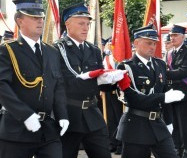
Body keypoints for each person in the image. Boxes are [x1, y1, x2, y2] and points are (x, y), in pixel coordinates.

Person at [0, 0, 69, 157]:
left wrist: (62, 115)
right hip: (16, 130)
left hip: (47, 130)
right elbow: (2, 86)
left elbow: (58, 85)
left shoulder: (51, 51)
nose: (40, 20)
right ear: (19, 21)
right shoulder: (8, 50)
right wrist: (25, 114)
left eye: (41, 17)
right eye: (33, 17)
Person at [116, 24, 184, 158]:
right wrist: (163, 97)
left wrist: (169, 122)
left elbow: (166, 94)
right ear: (136, 43)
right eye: (148, 43)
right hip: (136, 125)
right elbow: (133, 99)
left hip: (158, 124)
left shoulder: (160, 64)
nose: (152, 47)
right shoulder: (126, 67)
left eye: (154, 43)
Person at [53, 3, 112, 158]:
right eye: (81, 23)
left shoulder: (93, 50)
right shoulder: (57, 49)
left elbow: (101, 86)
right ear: (67, 24)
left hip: (93, 114)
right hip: (69, 114)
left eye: (87, 23)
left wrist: (111, 81)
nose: (85, 28)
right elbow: (68, 82)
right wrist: (97, 79)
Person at [166, 24, 187, 158]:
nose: (172, 38)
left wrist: (166, 73)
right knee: (175, 123)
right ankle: (177, 147)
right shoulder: (169, 53)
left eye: (175, 35)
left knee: (186, 123)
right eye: (171, 35)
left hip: (185, 92)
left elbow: (185, 71)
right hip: (172, 92)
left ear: (183, 37)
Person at [101, 37, 123, 155]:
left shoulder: (122, 58)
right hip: (109, 91)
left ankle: (121, 144)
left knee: (120, 118)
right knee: (110, 118)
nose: (110, 45)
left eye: (113, 43)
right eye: (109, 43)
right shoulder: (107, 58)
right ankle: (112, 143)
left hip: (120, 92)